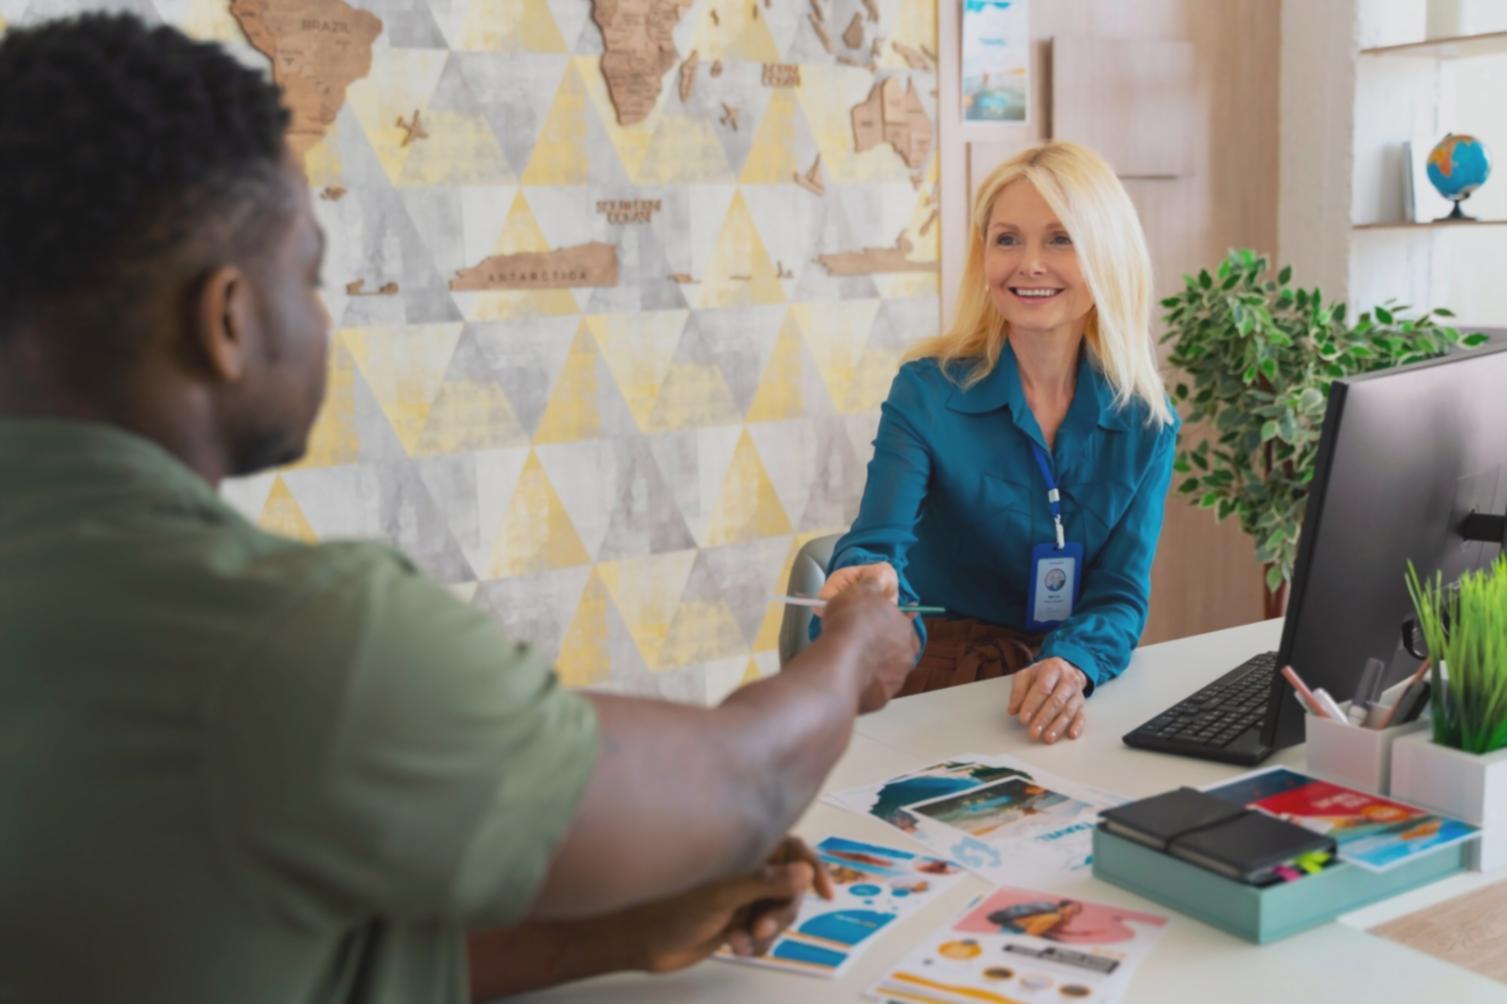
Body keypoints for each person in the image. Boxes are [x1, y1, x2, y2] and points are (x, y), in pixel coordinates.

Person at [0, 14, 918, 1003]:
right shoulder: (290, 640)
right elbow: (743, 784)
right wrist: (856, 644)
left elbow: (206, 939)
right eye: (306, 272)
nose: (320, 313)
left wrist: (613, 932)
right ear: (224, 318)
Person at [817, 141, 1180, 746]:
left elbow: (1118, 594)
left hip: (1055, 686)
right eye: (1007, 239)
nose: (1028, 264)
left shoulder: (1147, 420)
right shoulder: (926, 391)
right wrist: (870, 586)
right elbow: (877, 547)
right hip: (933, 679)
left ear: (1108, 257)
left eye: (1060, 239)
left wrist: (1074, 664)